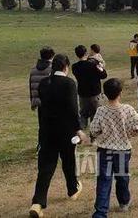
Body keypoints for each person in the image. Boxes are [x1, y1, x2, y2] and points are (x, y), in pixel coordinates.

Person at [29, 54, 88, 218]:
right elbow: (72, 108)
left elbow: (43, 109)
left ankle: (38, 202)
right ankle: (72, 189)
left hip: (47, 131)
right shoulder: (69, 83)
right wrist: (78, 129)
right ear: (66, 67)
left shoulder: (43, 84)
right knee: (68, 161)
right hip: (65, 132)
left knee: (45, 168)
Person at [90, 78, 138, 218]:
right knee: (122, 177)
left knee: (104, 180)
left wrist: (98, 134)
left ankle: (100, 212)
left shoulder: (101, 111)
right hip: (122, 149)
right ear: (120, 93)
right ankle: (124, 201)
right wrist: (132, 132)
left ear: (105, 93)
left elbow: (93, 129)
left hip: (104, 150)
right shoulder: (127, 109)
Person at [72, 45, 108, 128]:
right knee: (95, 115)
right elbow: (104, 75)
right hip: (94, 94)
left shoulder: (75, 67)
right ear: (86, 53)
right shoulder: (94, 64)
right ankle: (93, 135)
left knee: (83, 114)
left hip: (82, 94)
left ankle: (81, 132)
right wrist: (99, 63)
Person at [29, 46, 54, 111]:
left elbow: (31, 86)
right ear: (51, 56)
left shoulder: (33, 70)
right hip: (49, 101)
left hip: (38, 102)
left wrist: (32, 101)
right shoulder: (52, 69)